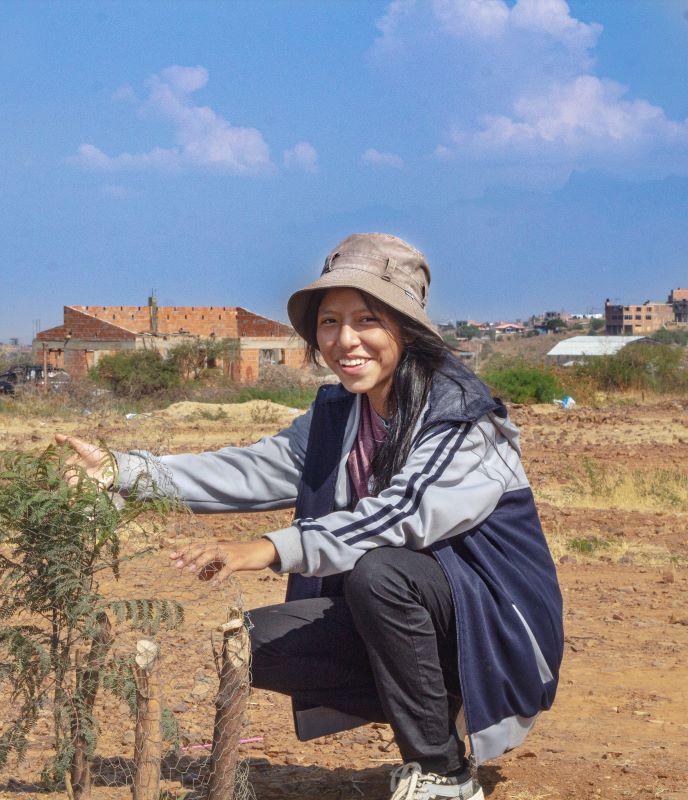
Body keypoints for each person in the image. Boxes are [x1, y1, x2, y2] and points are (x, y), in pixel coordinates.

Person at [57, 233, 563, 800]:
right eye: (329, 323)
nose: (345, 341)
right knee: (258, 643)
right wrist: (124, 472)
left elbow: (402, 514)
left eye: (367, 320)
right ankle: (435, 701)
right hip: (410, 619)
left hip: (493, 627)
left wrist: (267, 549)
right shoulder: (339, 416)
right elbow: (251, 470)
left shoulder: (464, 416)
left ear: (407, 327)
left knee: (383, 571)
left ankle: (443, 772)